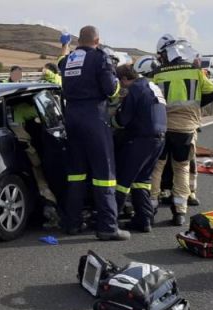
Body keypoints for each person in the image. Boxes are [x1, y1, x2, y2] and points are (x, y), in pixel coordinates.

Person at [58, 25, 130, 241]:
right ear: (97, 40)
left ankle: (72, 223)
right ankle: (108, 227)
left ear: (79, 40)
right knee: (104, 174)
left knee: (76, 173)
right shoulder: (100, 58)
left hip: (71, 118)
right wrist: (116, 83)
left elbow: (60, 69)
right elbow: (111, 90)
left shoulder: (68, 60)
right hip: (94, 118)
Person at [149, 34, 213, 226]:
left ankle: (151, 207)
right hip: (187, 128)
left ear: (165, 53)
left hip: (163, 127)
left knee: (157, 167)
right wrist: (195, 107)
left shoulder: (158, 73)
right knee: (182, 168)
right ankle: (180, 211)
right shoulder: (195, 72)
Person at [110, 63, 167, 232]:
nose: (121, 87)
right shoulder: (151, 86)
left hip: (141, 139)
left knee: (123, 181)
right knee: (142, 181)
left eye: (120, 83)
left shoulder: (135, 89)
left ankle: (109, 221)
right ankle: (144, 220)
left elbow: (123, 120)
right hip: (159, 139)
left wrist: (110, 121)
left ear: (125, 79)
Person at [8, 100, 61, 228]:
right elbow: (22, 136)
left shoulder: (21, 109)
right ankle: (53, 209)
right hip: (38, 151)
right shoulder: (30, 107)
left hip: (39, 148)